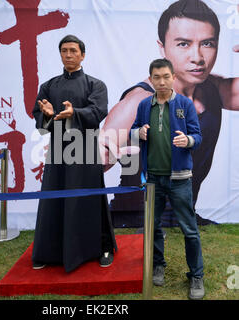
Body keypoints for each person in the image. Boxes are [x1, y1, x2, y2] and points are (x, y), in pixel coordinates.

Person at [100, 0, 239, 226]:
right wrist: (92, 155)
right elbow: (96, 156)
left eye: (207, 43)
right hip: (134, 223)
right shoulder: (139, 101)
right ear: (162, 47)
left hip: (184, 219)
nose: (197, 57)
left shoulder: (214, 90)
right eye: (183, 44)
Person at [31, 35, 117, 273]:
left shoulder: (95, 85)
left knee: (89, 199)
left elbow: (98, 111)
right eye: (64, 50)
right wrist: (47, 114)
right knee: (54, 199)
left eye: (73, 50)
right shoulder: (49, 86)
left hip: (86, 150)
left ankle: (101, 248)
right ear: (60, 54)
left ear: (82, 55)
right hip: (58, 151)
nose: (68, 55)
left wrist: (74, 113)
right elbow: (38, 119)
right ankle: (48, 251)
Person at [131, 58, 204, 300]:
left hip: (180, 179)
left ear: (173, 77)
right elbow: (133, 130)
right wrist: (138, 132)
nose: (161, 82)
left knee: (190, 230)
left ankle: (196, 275)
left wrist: (188, 141)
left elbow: (197, 135)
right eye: (156, 77)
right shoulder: (144, 105)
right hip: (153, 179)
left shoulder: (185, 104)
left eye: (165, 77)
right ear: (150, 79)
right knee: (153, 227)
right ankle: (157, 265)